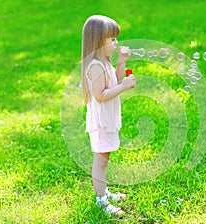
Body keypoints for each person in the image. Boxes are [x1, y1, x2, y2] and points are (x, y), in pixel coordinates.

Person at [81, 15, 135, 216]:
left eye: (115, 39)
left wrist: (121, 62)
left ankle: (104, 192)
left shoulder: (104, 63)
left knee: (105, 157)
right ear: (97, 41)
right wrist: (123, 87)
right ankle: (100, 200)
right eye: (112, 39)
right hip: (101, 122)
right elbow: (101, 95)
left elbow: (115, 80)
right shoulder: (95, 66)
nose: (116, 43)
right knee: (101, 161)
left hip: (107, 120)